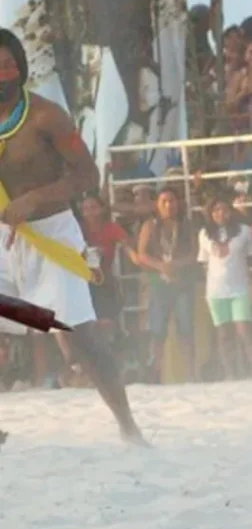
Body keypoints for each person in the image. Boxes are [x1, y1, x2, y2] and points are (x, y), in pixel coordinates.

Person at [0, 29, 146, 444]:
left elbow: (87, 175)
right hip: (3, 237)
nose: (2, 74)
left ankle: (128, 427)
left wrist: (36, 198)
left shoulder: (47, 117)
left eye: (9, 65)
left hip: (52, 235)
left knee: (81, 341)